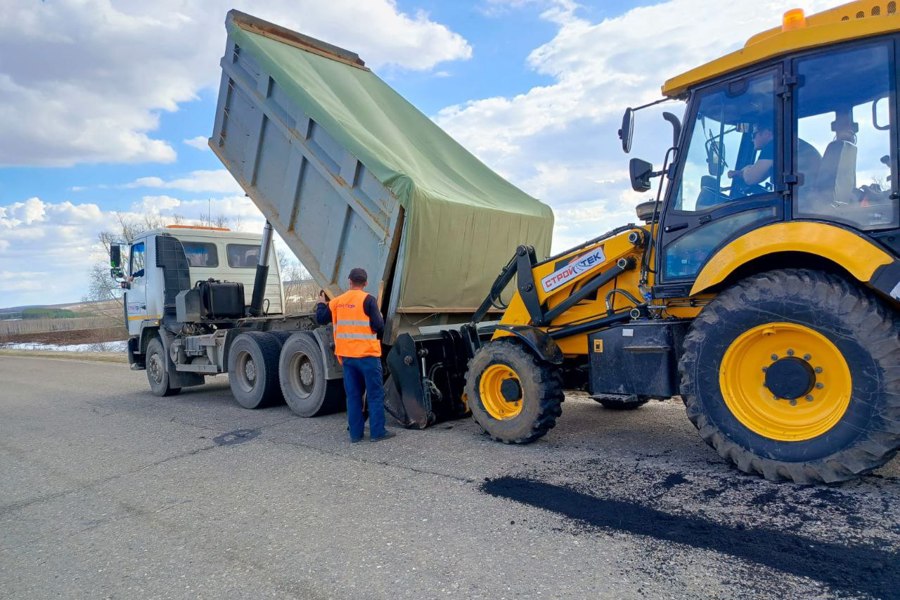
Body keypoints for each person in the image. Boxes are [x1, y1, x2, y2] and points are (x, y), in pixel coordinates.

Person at [316, 268, 393, 443]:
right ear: (365, 283)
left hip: (347, 358)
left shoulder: (337, 302)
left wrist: (321, 302)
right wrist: (379, 317)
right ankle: (377, 432)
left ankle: (355, 435)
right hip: (368, 357)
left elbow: (320, 318)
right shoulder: (369, 300)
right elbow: (379, 327)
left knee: (353, 396)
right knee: (374, 394)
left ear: (349, 282)